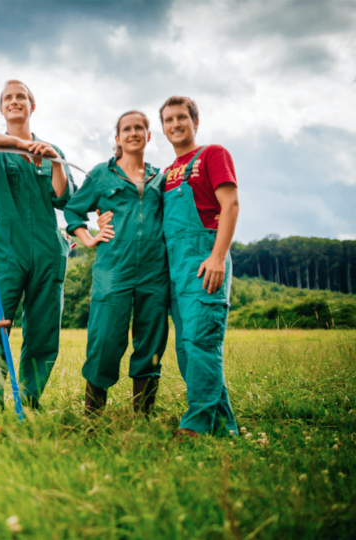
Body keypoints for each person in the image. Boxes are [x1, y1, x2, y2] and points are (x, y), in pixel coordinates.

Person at [0, 80, 77, 410]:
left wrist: (54, 160)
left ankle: (28, 401)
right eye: (8, 98)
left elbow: (64, 198)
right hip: (7, 248)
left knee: (42, 333)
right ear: (1, 108)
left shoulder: (52, 149)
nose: (15, 101)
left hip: (48, 248)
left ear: (32, 105)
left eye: (21, 96)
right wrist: (17, 144)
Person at [64, 111, 169, 417]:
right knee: (106, 338)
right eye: (127, 129)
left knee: (151, 340)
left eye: (140, 128)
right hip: (113, 269)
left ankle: (144, 416)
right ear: (118, 138)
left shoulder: (160, 178)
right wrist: (88, 237)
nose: (133, 132)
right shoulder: (101, 175)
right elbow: (73, 211)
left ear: (149, 136)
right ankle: (92, 417)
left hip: (154, 270)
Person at [158, 96, 239, 437]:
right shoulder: (164, 174)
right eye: (168, 120)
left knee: (201, 340)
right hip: (175, 266)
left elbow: (231, 204)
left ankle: (196, 425)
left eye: (181, 118)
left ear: (195, 122)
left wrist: (218, 256)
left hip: (204, 255)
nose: (175, 124)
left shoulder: (212, 154)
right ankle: (223, 427)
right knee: (186, 346)